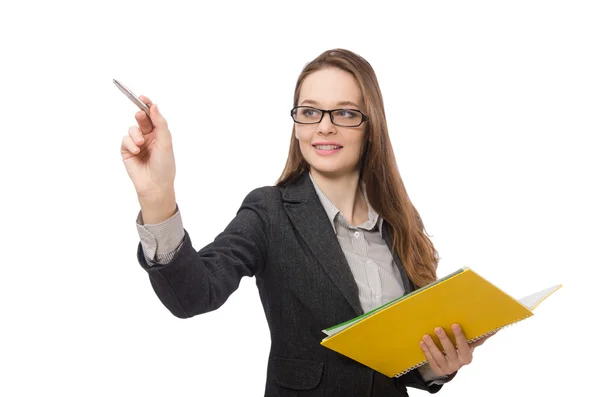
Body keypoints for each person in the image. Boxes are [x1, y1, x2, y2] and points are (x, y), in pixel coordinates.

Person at [120, 48, 492, 396]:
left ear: (370, 125)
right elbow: (192, 295)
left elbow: (394, 359)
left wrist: (437, 366)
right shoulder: (270, 211)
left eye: (345, 113)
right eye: (310, 111)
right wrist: (158, 197)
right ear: (297, 124)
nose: (324, 127)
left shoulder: (400, 223)